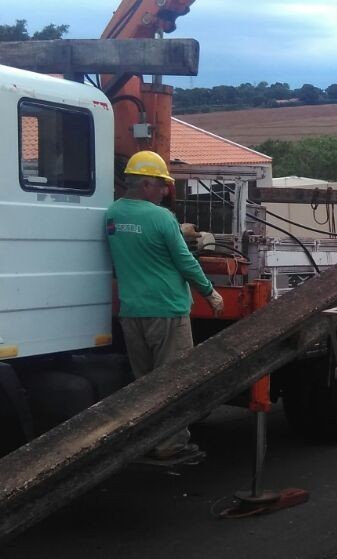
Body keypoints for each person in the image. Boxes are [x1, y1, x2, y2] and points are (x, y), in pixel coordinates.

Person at [106, 150, 224, 460]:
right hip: (167, 310)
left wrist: (174, 231)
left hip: (132, 312)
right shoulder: (161, 218)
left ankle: (146, 441)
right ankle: (170, 444)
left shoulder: (112, 215)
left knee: (144, 383)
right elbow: (185, 262)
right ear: (146, 184)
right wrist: (210, 292)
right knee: (173, 381)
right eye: (161, 185)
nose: (165, 191)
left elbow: (135, 239)